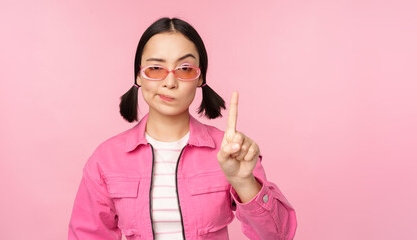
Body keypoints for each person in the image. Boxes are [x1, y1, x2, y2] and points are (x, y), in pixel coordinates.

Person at [68, 17, 297, 240]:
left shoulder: (229, 152)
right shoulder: (106, 159)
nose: (170, 82)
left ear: (200, 77)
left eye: (185, 69)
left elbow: (278, 236)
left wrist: (244, 182)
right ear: (138, 75)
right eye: (156, 68)